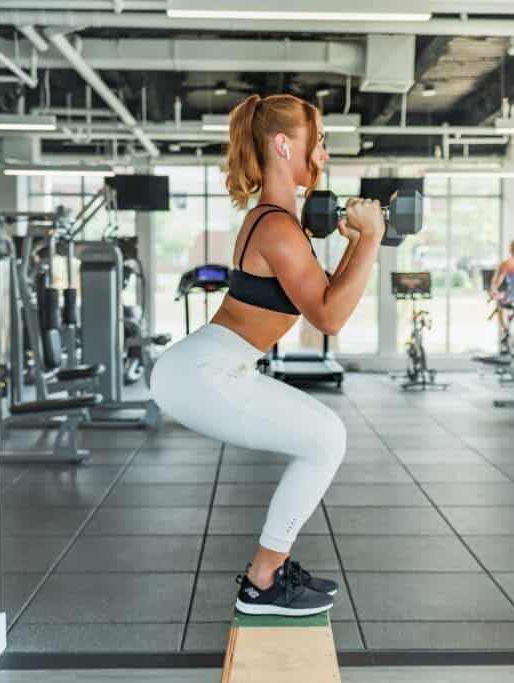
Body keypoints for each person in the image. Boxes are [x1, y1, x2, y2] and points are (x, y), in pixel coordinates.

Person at [149, 94, 384, 617]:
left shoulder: (280, 221)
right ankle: (263, 581)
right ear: (285, 144)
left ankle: (267, 576)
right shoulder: (277, 226)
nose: (323, 151)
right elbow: (330, 317)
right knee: (326, 438)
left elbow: (324, 295)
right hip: (204, 373)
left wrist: (356, 242)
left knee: (322, 438)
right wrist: (369, 241)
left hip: (209, 366)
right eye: (317, 139)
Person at [489, 239, 514, 335]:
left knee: (499, 304)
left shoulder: (506, 263)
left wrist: (493, 291)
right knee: (504, 297)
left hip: (513, 298)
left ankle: (506, 330)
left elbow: (496, 282)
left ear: (511, 249)